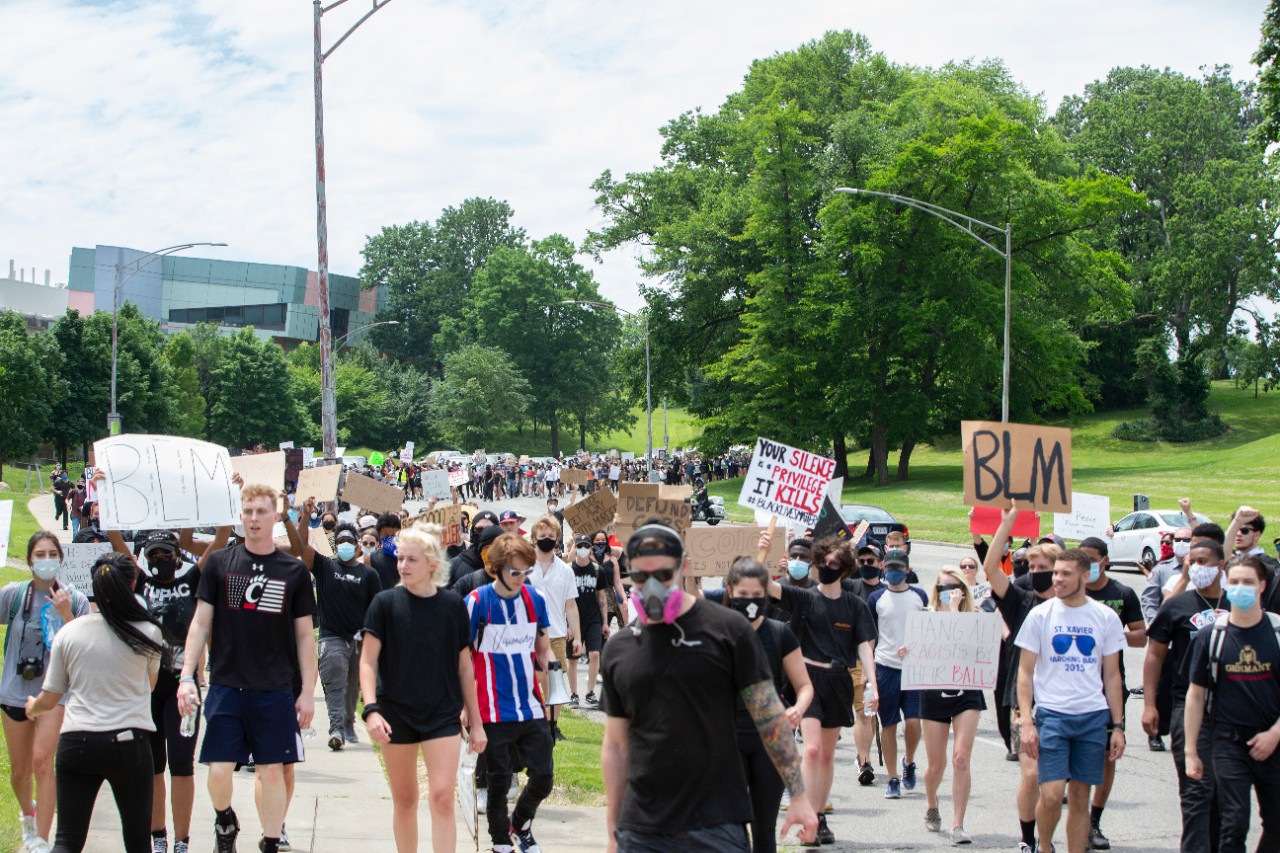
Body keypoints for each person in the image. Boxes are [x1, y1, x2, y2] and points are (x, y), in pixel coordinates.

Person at [603, 522, 818, 851]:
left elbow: (770, 717)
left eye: (663, 575)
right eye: (642, 576)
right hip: (642, 827)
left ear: (683, 566)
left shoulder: (728, 630)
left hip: (716, 823)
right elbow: (616, 746)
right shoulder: (619, 648)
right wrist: (613, 830)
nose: (652, 587)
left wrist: (800, 796)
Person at [177, 484, 318, 853]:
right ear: (240, 517)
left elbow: (305, 637)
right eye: (248, 511)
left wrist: (306, 693)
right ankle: (225, 820)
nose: (254, 518)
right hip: (227, 684)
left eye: (261, 511)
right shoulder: (220, 565)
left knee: (272, 770)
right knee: (219, 769)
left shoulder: (294, 571)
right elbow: (200, 623)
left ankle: (271, 840)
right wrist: (186, 676)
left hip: (274, 689)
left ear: (275, 516)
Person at [25, 552, 166, 853]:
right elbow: (149, 687)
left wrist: (32, 707)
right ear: (132, 585)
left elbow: (50, 698)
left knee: (68, 840)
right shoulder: (149, 633)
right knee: (138, 841)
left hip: (78, 743)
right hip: (130, 743)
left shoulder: (71, 632)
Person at [361, 523, 485, 852]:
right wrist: (371, 709)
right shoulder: (384, 604)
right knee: (405, 799)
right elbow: (367, 661)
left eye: (411, 559)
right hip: (394, 712)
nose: (402, 566)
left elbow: (464, 665)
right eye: (400, 559)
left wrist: (477, 723)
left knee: (443, 796)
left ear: (431, 562)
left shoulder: (451, 605)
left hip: (441, 713)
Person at [110, 525, 227, 853]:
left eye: (166, 553)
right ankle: (157, 835)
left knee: (181, 763)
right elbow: (116, 541)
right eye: (153, 555)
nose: (160, 558)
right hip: (147, 686)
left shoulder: (191, 581)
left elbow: (219, 541)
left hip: (183, 686)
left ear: (178, 558)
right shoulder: (143, 583)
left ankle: (182, 840)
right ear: (145, 560)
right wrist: (106, 501)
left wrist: (213, 508)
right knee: (152, 765)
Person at [764, 535, 877, 846]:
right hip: (808, 680)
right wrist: (763, 552)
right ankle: (806, 816)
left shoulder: (855, 605)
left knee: (826, 755)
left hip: (839, 680)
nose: (828, 567)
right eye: (823, 562)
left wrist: (872, 681)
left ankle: (818, 815)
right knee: (811, 749)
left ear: (844, 569)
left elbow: (865, 645)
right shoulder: (805, 598)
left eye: (834, 564)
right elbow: (767, 586)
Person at [1016, 548, 1127, 853]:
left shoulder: (1105, 617)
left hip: (1092, 717)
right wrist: (1027, 720)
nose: (1058, 579)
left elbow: (1112, 676)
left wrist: (1117, 726)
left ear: (1085, 575)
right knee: (1051, 794)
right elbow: (1024, 673)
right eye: (1056, 573)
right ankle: (1046, 846)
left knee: (1080, 797)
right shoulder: (1041, 615)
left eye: (1065, 573)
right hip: (1052, 715)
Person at [1, 531, 91, 853]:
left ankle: (40, 841)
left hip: (54, 694)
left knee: (42, 762)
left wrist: (66, 614)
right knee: (20, 773)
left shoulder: (76, 599)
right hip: (13, 692)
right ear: (29, 560)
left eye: (53, 553)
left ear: (61, 559)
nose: (46, 560)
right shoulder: (14, 596)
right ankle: (28, 814)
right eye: (40, 554)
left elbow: (85, 645)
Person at [466, 533, 555, 853]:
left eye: (525, 573)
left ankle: (519, 824)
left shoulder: (535, 600)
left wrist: (553, 673)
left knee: (544, 776)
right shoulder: (478, 601)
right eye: (514, 572)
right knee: (498, 781)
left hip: (530, 705)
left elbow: (542, 648)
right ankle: (501, 842)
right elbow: (461, 657)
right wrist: (466, 708)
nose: (520, 579)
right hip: (491, 708)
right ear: (498, 569)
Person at [1185, 555, 1280, 853]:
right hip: (1228, 741)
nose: (1240, 588)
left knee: (1277, 823)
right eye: (1235, 582)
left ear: (1262, 586)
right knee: (1233, 822)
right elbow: (1196, 694)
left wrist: (1275, 733)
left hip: (1274, 739)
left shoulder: (1277, 633)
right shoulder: (1212, 635)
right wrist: (1191, 751)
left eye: (1248, 583)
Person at [1143, 539, 1227, 853]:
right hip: (1187, 705)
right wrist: (1150, 705)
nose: (1197, 568)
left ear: (1221, 565)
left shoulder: (1237, 605)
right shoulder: (1176, 607)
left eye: (1205, 561)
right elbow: (1154, 657)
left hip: (1231, 710)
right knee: (1197, 791)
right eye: (1193, 562)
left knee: (1224, 797)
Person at [724, 557, 813, 853]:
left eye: (756, 596)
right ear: (729, 591)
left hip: (770, 742)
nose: (750, 602)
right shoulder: (719, 633)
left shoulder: (779, 633)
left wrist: (798, 708)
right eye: (743, 596)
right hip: (728, 739)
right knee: (731, 829)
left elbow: (804, 685)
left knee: (764, 830)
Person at [985, 505, 1060, 853]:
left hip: (1064, 702)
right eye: (1032, 567)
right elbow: (989, 569)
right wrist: (1007, 524)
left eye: (1044, 567)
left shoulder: (1075, 607)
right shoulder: (1019, 600)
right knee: (1031, 775)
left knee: (1054, 787)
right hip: (1023, 701)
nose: (1037, 572)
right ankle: (1028, 839)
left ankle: (1046, 840)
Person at [284, 503, 382, 750]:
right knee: (335, 684)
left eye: (350, 540)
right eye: (341, 541)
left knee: (352, 688)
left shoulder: (368, 575)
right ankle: (336, 728)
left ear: (357, 544)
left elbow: (375, 608)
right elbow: (300, 546)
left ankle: (347, 724)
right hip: (331, 638)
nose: (346, 544)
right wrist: (305, 516)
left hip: (359, 640)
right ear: (335, 545)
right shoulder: (325, 567)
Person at [1077, 536, 1146, 850]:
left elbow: (1141, 637)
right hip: (1072, 686)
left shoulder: (1122, 594)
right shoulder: (1068, 592)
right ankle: (1071, 819)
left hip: (1109, 686)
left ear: (1104, 559)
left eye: (1091, 559)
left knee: (1107, 756)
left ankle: (1094, 822)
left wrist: (1113, 631)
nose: (1086, 565)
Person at [913, 566, 985, 845]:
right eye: (943, 588)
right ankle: (932, 804)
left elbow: (973, 647)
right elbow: (917, 654)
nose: (948, 593)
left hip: (966, 690)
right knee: (936, 764)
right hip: (933, 692)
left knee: (961, 758)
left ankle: (958, 824)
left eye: (954, 588)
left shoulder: (972, 617)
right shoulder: (924, 617)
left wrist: (956, 610)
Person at [867, 548, 929, 800]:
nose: (893, 572)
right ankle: (892, 777)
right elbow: (870, 637)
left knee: (913, 722)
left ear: (907, 570)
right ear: (883, 568)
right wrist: (868, 672)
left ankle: (909, 761)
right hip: (886, 667)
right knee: (889, 725)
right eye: (889, 568)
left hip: (913, 669)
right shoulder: (877, 599)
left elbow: (930, 630)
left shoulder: (919, 596)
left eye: (898, 568)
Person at [527, 514, 582, 742]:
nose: (547, 539)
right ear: (533, 538)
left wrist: (577, 636)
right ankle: (530, 724)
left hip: (557, 635)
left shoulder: (566, 571)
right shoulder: (524, 568)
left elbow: (571, 605)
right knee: (529, 681)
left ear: (557, 539)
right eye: (542, 536)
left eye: (551, 536)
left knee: (555, 683)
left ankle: (553, 725)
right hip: (527, 635)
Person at [567, 534, 608, 708]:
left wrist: (605, 622)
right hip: (574, 620)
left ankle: (590, 693)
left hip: (593, 619)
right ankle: (574, 694)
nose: (583, 548)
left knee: (595, 654)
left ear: (590, 548)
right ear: (576, 547)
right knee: (573, 658)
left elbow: (602, 598)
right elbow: (564, 599)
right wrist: (567, 624)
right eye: (580, 545)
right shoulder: (568, 570)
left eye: (586, 545)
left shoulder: (598, 570)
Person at [449, 510, 500, 587]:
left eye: (489, 529)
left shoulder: (510, 565)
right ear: (472, 530)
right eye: (479, 529)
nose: (484, 533)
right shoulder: (455, 565)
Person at [368, 513, 403, 592]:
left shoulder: (407, 557)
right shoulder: (371, 558)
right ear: (379, 535)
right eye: (386, 535)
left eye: (393, 535)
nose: (390, 539)